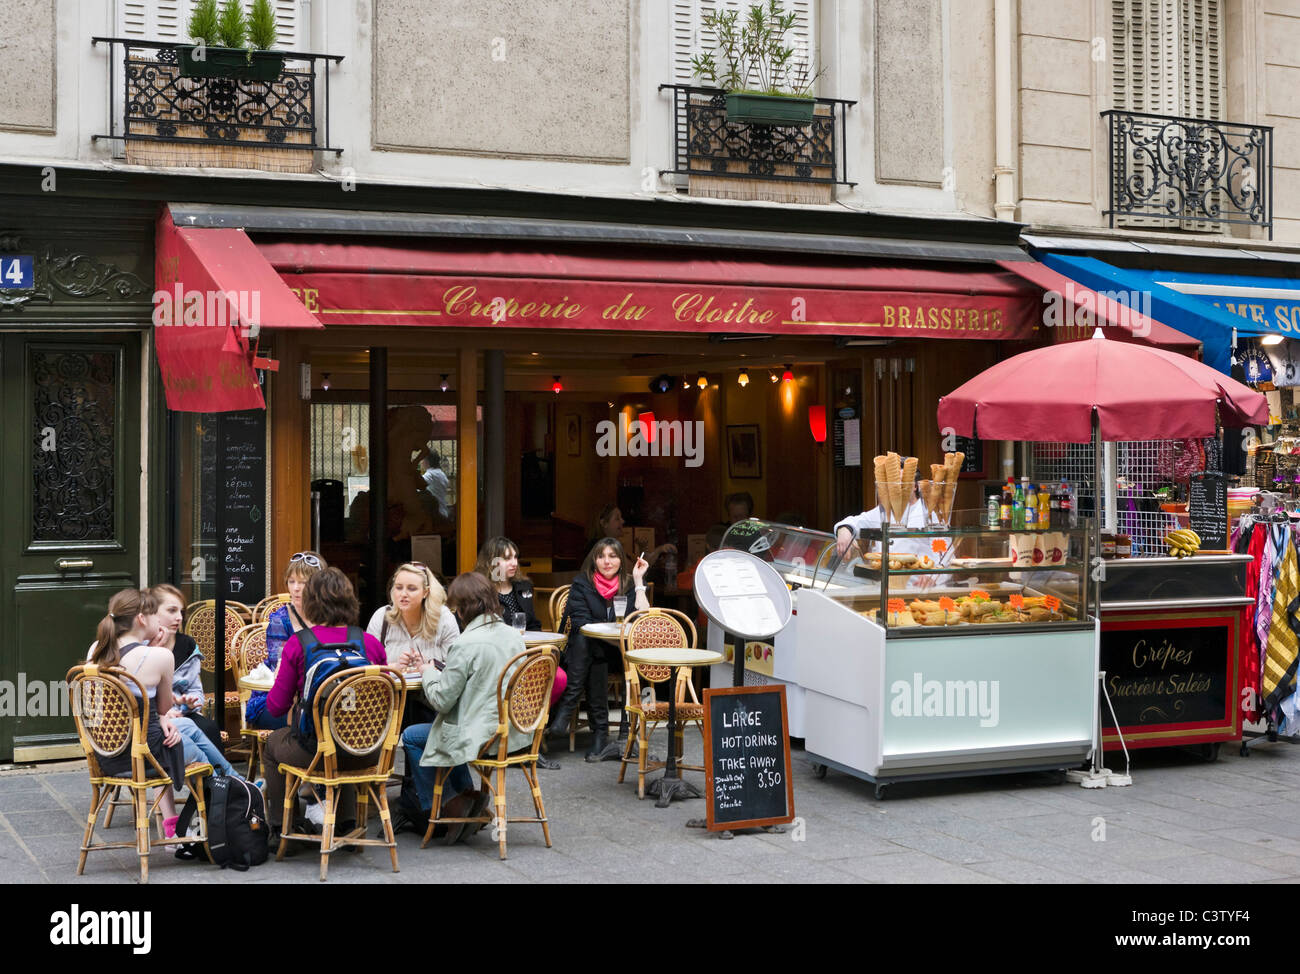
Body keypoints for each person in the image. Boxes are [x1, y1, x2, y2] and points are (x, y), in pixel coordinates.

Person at [396, 572, 535, 843]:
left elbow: (441, 701)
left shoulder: (465, 643)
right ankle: (470, 800)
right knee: (445, 726)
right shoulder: (514, 636)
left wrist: (427, 672)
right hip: (517, 731)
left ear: (462, 608)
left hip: (481, 734)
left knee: (413, 736)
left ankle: (451, 804)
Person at [260, 568, 388, 842]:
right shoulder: (370, 644)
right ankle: (347, 824)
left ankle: (284, 828)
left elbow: (275, 708)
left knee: (272, 744)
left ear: (310, 602)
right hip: (368, 752)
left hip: (315, 752)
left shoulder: (299, 644)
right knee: (346, 733)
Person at [86, 589, 187, 833]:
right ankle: (227, 796)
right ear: (142, 619)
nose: (159, 622)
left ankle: (172, 818)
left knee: (182, 731)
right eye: (155, 615)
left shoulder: (95, 649)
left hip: (105, 755)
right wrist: (157, 648)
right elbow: (165, 707)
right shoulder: (161, 656)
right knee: (187, 732)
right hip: (146, 755)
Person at [547, 539, 649, 761]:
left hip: (617, 651)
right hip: (590, 651)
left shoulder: (630, 585)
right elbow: (580, 624)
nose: (607, 561)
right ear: (594, 560)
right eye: (601, 556)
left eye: (613, 556)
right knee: (591, 649)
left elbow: (642, 618)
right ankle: (602, 733)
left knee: (599, 651)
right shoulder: (582, 584)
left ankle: (572, 709)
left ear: (621, 560)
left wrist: (639, 580)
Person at [475, 537, 568, 769]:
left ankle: (529, 735)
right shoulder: (482, 591)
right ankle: (521, 742)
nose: (513, 562)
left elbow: (533, 624)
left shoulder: (524, 587)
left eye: (515, 557)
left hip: (525, 654)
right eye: (506, 558)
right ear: (491, 562)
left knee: (559, 678)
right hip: (496, 658)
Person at [147, 584, 245, 780]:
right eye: (172, 610)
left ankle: (215, 792)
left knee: (209, 728)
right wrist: (166, 712)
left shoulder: (187, 646)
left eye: (181, 612)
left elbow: (196, 690)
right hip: (153, 718)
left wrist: (191, 702)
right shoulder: (142, 646)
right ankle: (222, 785)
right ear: (152, 613)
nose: (179, 618)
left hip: (184, 713)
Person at [246, 551, 327, 733]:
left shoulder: (330, 617)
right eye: (292, 581)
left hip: (318, 696)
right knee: (314, 722)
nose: (296, 588)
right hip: (277, 700)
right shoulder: (280, 620)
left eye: (303, 582)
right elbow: (281, 669)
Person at [587, 504, 675, 568]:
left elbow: (640, 565)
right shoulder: (601, 547)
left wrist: (645, 549)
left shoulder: (614, 546)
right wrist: (659, 550)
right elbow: (635, 570)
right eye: (617, 518)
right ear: (604, 523)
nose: (622, 521)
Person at [420, 452, 451, 519]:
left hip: (435, 514)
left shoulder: (430, 474)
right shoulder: (440, 473)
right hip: (443, 511)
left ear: (427, 461)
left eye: (422, 459)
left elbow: (419, 485)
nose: (421, 462)